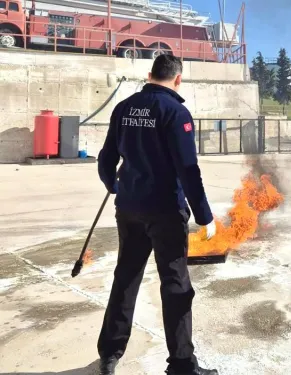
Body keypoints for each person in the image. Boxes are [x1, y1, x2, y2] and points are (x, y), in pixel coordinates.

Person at [96, 55, 218, 375]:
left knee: (126, 278)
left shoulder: (123, 108)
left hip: (129, 208)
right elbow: (188, 170)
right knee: (176, 284)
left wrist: (115, 186)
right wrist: (205, 216)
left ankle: (110, 353)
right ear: (178, 80)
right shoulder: (176, 112)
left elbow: (106, 158)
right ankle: (181, 364)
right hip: (165, 210)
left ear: (150, 76)